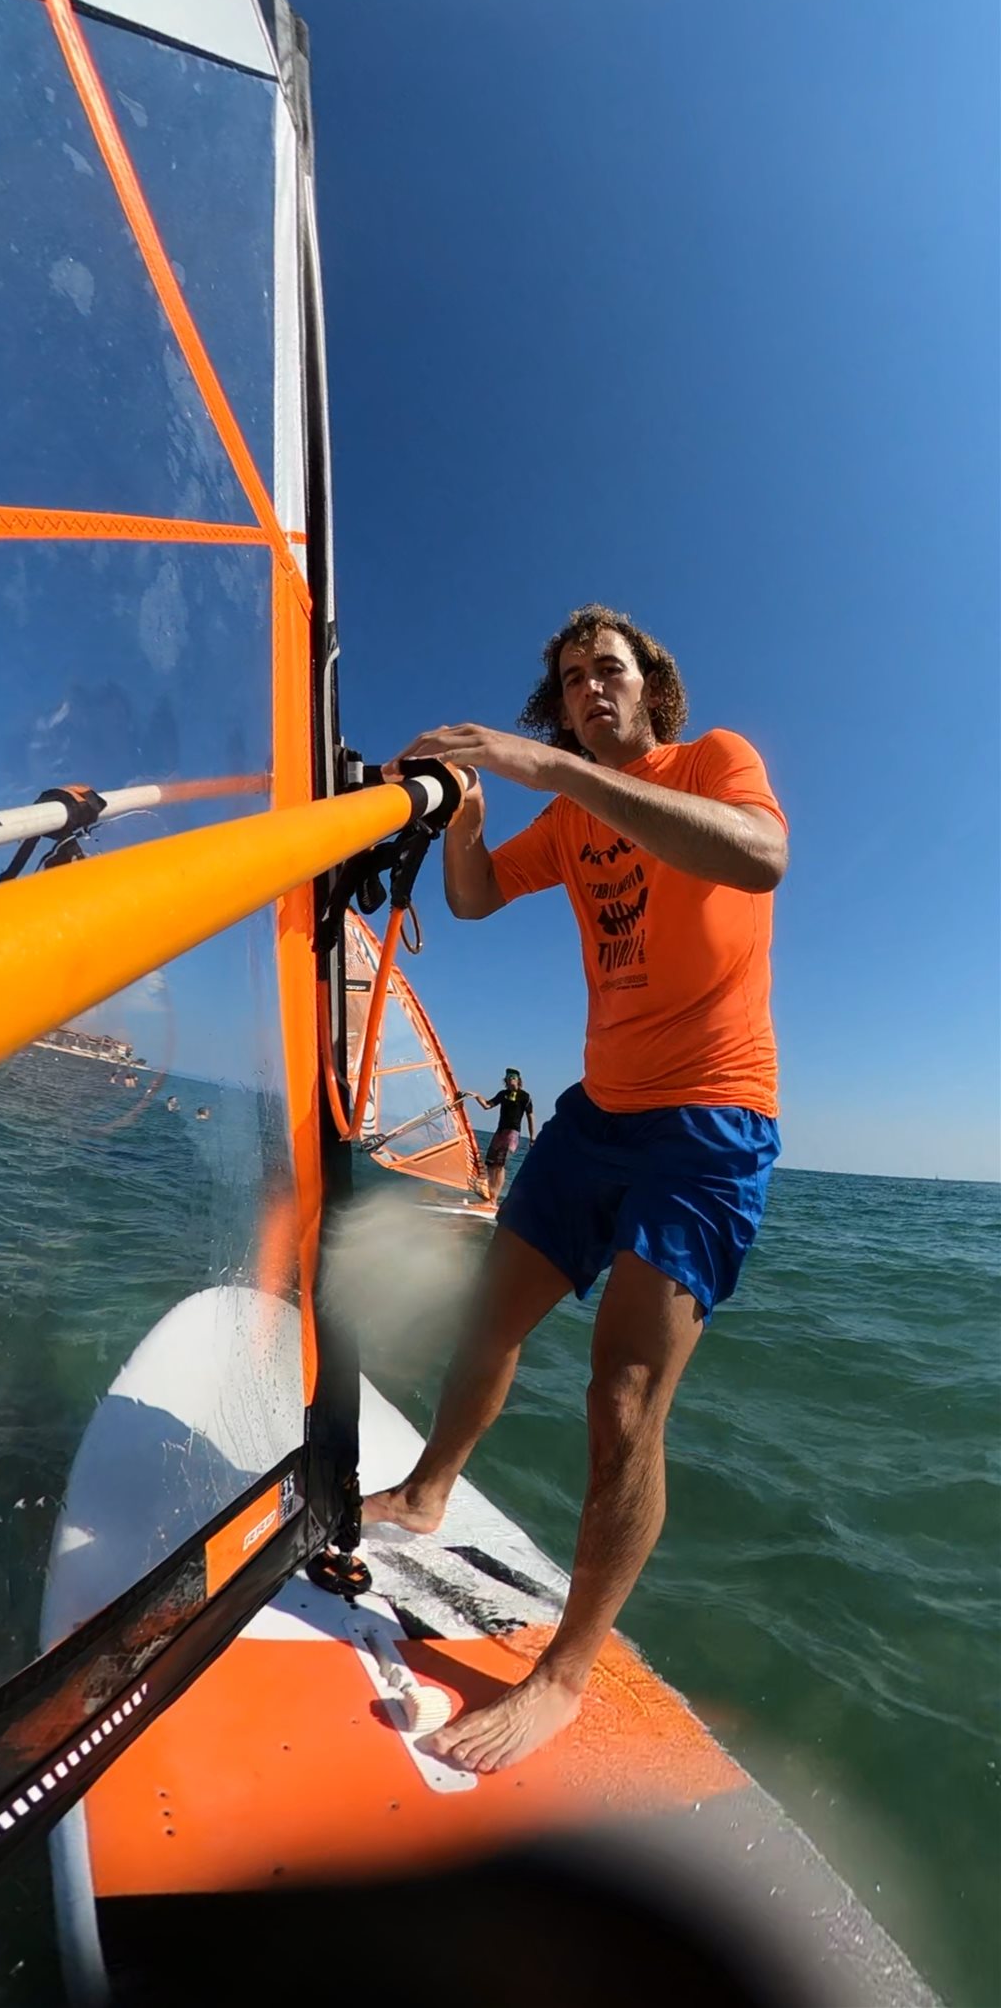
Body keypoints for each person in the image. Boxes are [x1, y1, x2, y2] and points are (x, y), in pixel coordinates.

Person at [364, 604, 787, 1774]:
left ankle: (562, 1675)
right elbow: (473, 899)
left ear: (651, 686)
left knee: (623, 1399)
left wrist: (550, 768)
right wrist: (469, 820)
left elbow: (759, 856)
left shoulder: (714, 761)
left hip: (711, 1120)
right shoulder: (566, 817)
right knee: (488, 1320)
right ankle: (427, 1492)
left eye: (608, 671)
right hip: (597, 1115)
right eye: (569, 681)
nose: (588, 691)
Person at [472, 1069, 536, 1203]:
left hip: (512, 1134)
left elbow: (530, 1116)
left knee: (500, 1165)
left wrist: (532, 1137)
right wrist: (476, 1095)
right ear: (505, 1080)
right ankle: (489, 1195)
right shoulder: (503, 1094)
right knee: (490, 1164)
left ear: (518, 1080)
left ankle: (494, 1198)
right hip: (500, 1132)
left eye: (513, 1077)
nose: (511, 1079)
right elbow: (487, 1105)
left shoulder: (525, 1096)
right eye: (508, 1077)